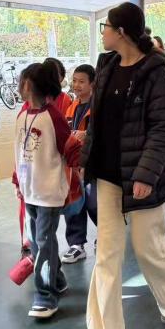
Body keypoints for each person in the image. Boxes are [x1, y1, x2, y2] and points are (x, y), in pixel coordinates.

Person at [82, 2, 165, 329]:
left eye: (106, 26)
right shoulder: (106, 65)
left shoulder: (155, 72)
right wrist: (85, 159)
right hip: (108, 174)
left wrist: (145, 174)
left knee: (148, 247)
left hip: (145, 177)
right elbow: (99, 122)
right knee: (107, 253)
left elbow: (164, 129)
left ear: (122, 32)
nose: (102, 32)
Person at [13, 60, 76, 319]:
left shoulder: (53, 116)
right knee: (39, 241)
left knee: (43, 241)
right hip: (29, 191)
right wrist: (18, 181)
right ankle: (57, 280)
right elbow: (18, 153)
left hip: (49, 192)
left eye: (22, 82)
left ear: (30, 85)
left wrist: (79, 177)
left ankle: (46, 296)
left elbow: (70, 148)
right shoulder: (22, 115)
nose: (19, 86)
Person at [62, 64, 97, 264]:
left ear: (92, 83)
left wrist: (87, 134)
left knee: (94, 204)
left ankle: (106, 236)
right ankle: (76, 245)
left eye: (82, 81)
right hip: (73, 164)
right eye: (74, 81)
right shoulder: (72, 106)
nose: (76, 85)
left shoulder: (98, 107)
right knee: (73, 204)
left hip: (92, 164)